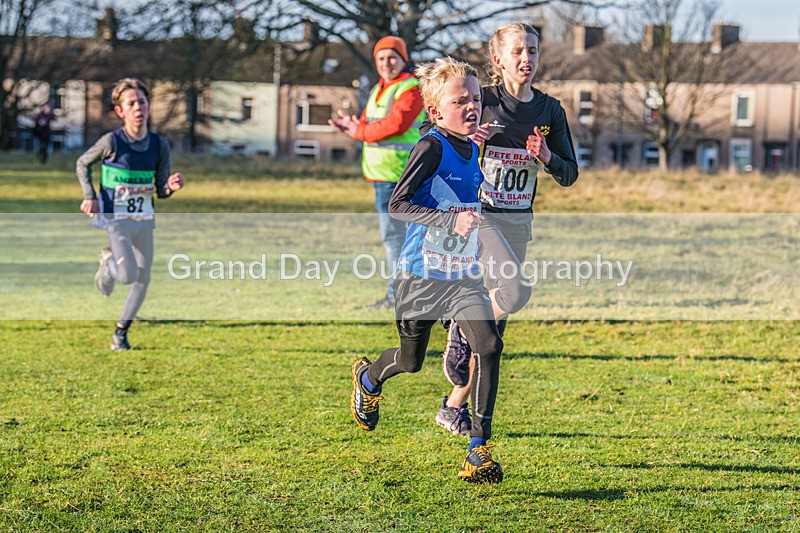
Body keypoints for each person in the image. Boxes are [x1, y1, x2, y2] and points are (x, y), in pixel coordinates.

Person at [349, 57, 505, 484]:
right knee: (411, 360)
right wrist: (450, 221)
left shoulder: (471, 147)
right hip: (421, 276)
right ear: (436, 112)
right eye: (461, 101)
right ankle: (369, 378)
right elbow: (398, 205)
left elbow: (463, 198)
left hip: (461, 276)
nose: (472, 106)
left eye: (476, 98)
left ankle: (478, 449)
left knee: (489, 345)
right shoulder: (430, 147)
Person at [432, 23, 579, 436]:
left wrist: (547, 156)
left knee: (495, 329)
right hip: (478, 219)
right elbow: (434, 141)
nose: (526, 58)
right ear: (498, 60)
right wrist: (468, 141)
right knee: (509, 298)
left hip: (517, 223)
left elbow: (569, 173)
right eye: (517, 51)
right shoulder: (481, 100)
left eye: (532, 50)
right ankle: (461, 327)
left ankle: (452, 406)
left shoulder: (549, 111)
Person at [76, 78, 184, 351]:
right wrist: (90, 196)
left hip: (144, 220)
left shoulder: (159, 145)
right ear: (120, 111)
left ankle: (121, 332)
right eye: (131, 103)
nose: (138, 108)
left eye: (142, 102)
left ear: (149, 106)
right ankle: (108, 261)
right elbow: (82, 163)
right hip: (117, 221)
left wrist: (170, 187)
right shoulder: (111, 142)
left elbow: (161, 190)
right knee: (127, 275)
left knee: (143, 277)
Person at [328, 36, 425, 309]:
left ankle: (399, 297)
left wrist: (358, 131)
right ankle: (403, 295)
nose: (386, 63)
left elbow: (396, 125)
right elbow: (369, 123)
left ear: (404, 59)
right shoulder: (380, 87)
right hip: (383, 176)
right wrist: (352, 125)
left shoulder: (411, 87)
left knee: (398, 239)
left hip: (399, 176)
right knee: (397, 238)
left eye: (392, 57)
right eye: (381, 58)